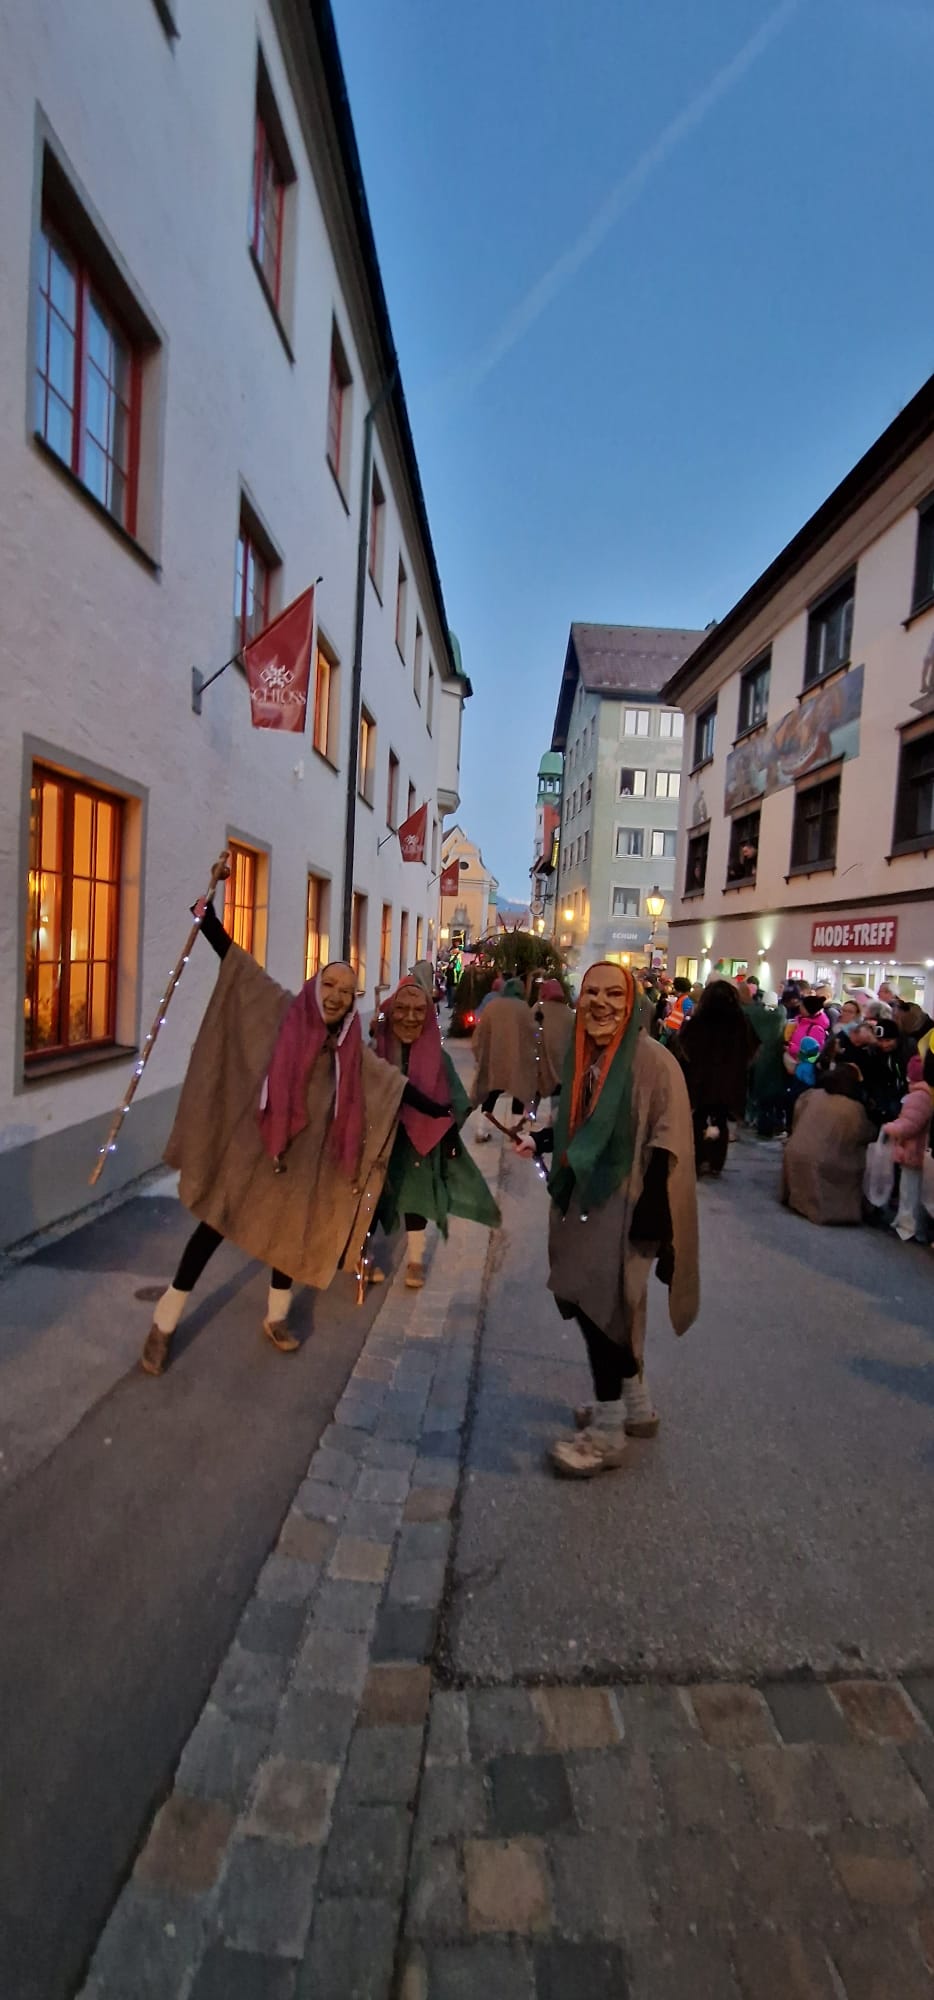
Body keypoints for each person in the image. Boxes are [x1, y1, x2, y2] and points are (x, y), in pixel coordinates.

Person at [140, 898, 450, 1375]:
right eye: (329, 985)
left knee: (289, 1234)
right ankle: (164, 1320)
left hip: (302, 1162)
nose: (336, 996)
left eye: (346, 991)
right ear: (315, 985)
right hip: (256, 1148)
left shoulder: (350, 1048)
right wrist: (209, 920)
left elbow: (394, 1084)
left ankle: (277, 1317)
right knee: (214, 1224)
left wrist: (439, 1109)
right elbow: (241, 970)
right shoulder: (283, 1011)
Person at [515, 962, 698, 1478]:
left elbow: (668, 1140)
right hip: (585, 1202)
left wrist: (654, 1219)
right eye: (591, 992)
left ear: (632, 1001)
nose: (599, 1003)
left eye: (612, 994)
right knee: (610, 1308)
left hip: (627, 1206)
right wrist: (542, 1139)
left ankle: (607, 1432)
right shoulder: (587, 1055)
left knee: (601, 1312)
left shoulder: (653, 1061)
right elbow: (582, 1123)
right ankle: (635, 1407)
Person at [373, 977, 500, 1285]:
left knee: (416, 1198)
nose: (410, 1017)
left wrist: (448, 1134)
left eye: (419, 1010)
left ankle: (415, 1261)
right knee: (370, 1202)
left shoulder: (438, 1059)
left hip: (419, 1142)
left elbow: (453, 1100)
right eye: (402, 1009)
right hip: (379, 1141)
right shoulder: (377, 1052)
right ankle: (364, 1258)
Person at [677, 979, 758, 1173]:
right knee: (721, 1120)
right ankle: (716, 1162)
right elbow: (752, 1048)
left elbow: (684, 1047)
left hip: (700, 1079)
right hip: (729, 1080)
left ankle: (699, 1158)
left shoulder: (699, 1020)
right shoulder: (740, 1021)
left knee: (699, 1119)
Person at [780, 1064, 873, 1225]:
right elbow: (862, 1135)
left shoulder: (811, 1095)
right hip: (824, 1160)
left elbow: (796, 1118)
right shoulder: (854, 1108)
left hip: (795, 1152)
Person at [471, 977, 538, 1139]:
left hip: (494, 1059)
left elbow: (479, 1034)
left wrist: (480, 1055)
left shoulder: (492, 1006)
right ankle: (516, 1131)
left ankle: (481, 1129)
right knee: (519, 1093)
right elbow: (533, 1034)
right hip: (516, 1060)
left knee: (491, 1094)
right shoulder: (523, 1008)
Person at [881, 1055, 934, 1242]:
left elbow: (909, 1124)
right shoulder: (928, 1095)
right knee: (919, 1192)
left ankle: (907, 1228)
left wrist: (889, 1128)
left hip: (912, 1152)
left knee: (910, 1192)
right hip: (920, 1153)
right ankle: (916, 1227)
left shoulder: (919, 1097)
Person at [744, 987, 788, 1137]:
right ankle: (772, 1123)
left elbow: (747, 1009)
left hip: (758, 1054)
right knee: (773, 1092)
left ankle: (756, 1120)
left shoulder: (755, 1014)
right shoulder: (780, 1013)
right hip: (775, 1057)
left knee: (757, 1089)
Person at [534, 977, 575, 1102]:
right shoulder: (569, 1013)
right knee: (558, 1099)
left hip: (540, 1064)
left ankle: (530, 1112)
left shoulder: (538, 1008)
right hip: (562, 1064)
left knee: (534, 1094)